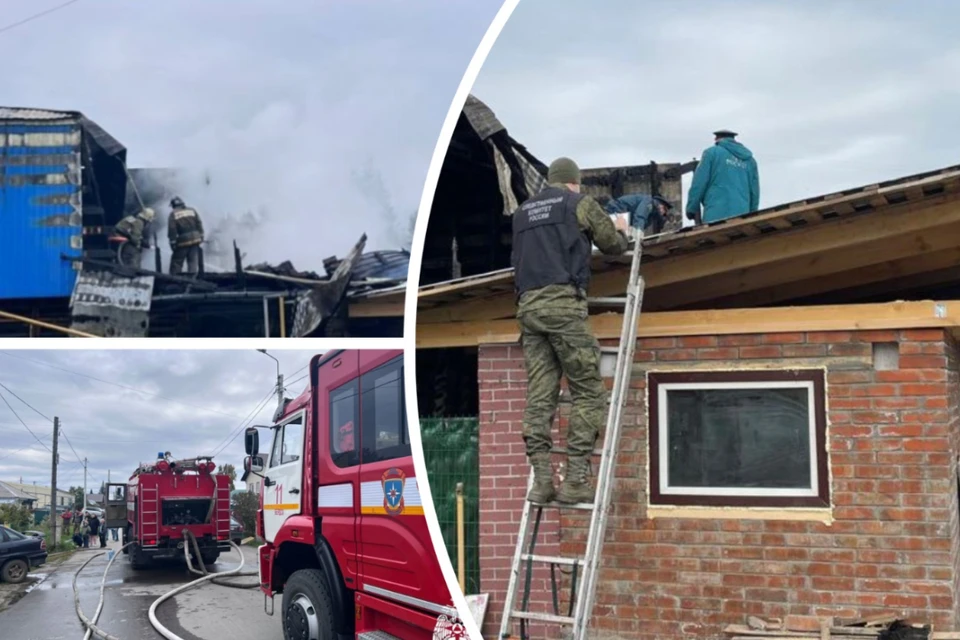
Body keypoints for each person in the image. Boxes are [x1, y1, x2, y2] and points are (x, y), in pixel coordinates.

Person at [511, 156, 630, 505]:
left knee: (540, 395)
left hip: (528, 311)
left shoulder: (522, 213)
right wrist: (622, 231)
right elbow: (611, 244)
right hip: (563, 307)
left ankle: (543, 482)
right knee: (588, 391)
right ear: (574, 182)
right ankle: (576, 478)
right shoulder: (578, 203)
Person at [685, 129, 760, 224]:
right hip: (742, 215)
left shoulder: (711, 153)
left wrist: (691, 207)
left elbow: (699, 182)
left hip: (716, 213)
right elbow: (754, 192)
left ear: (717, 139)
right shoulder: (750, 161)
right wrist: (752, 215)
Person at [167, 196, 205, 275]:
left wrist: (172, 242)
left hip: (183, 240)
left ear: (174, 205)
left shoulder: (173, 214)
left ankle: (175, 279)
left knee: (177, 261)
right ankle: (192, 279)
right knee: (193, 261)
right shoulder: (192, 210)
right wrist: (201, 235)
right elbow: (199, 223)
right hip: (196, 238)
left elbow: (172, 229)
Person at [603, 193, 673, 236]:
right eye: (664, 208)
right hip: (617, 209)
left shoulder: (651, 215)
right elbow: (640, 216)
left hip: (623, 212)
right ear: (659, 204)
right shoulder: (649, 202)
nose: (663, 212)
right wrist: (638, 232)